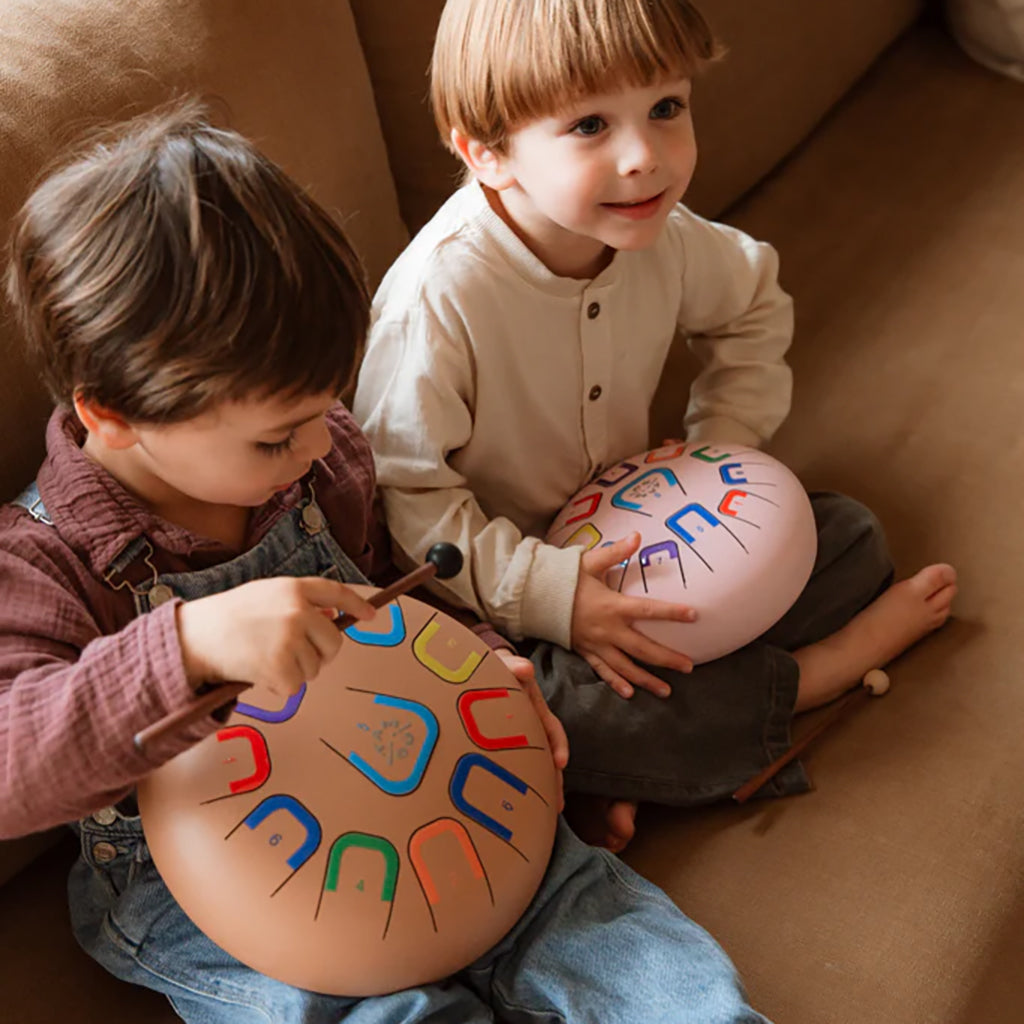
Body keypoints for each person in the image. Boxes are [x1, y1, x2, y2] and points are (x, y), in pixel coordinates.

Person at [0, 101, 775, 1023]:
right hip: (217, 898)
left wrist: (488, 669)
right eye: (274, 438)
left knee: (644, 964)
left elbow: (405, 597)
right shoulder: (42, 560)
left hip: (422, 792)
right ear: (109, 417)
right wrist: (189, 644)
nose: (316, 447)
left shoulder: (323, 456)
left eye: (327, 404)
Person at [353, 0, 958, 850]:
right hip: (512, 603)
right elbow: (406, 493)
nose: (645, 157)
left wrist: (724, 452)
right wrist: (554, 597)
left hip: (656, 539)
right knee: (553, 709)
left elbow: (751, 304)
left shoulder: (662, 234)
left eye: (666, 108)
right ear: (486, 153)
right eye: (591, 124)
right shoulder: (438, 300)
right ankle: (809, 681)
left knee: (848, 538)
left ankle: (626, 774)